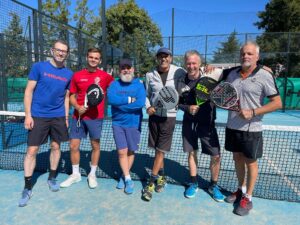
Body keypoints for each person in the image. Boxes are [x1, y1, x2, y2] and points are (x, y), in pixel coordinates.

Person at [224, 41, 282, 216]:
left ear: (257, 56)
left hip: (252, 129)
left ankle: (248, 198)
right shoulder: (232, 74)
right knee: (237, 159)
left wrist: (254, 111)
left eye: (250, 54)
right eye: (243, 53)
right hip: (232, 127)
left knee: (251, 162)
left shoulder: (264, 75)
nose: (245, 56)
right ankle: (240, 189)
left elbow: (277, 103)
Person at [19, 40, 73, 207]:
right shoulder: (39, 67)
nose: (61, 53)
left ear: (67, 54)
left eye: (64, 51)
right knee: (32, 150)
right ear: (52, 50)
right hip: (38, 116)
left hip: (58, 117)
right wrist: (28, 115)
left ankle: (52, 178)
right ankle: (27, 187)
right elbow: (28, 91)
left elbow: (65, 97)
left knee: (56, 147)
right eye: (58, 50)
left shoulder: (69, 74)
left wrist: (65, 118)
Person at [60, 47, 113, 189]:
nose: (93, 60)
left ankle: (92, 174)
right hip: (78, 117)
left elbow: (115, 88)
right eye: (91, 57)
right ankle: (75, 174)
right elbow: (71, 95)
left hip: (96, 118)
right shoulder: (77, 75)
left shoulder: (105, 76)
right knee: (73, 145)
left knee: (95, 146)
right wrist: (77, 107)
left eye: (96, 58)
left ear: (99, 60)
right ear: (87, 58)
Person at [177, 50, 225, 201]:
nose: (191, 66)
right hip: (189, 123)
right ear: (185, 64)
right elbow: (177, 102)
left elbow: (233, 71)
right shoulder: (180, 81)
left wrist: (263, 67)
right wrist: (187, 108)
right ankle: (193, 183)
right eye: (189, 63)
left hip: (207, 124)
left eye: (194, 63)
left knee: (216, 155)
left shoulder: (211, 75)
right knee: (192, 153)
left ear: (200, 64)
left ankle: (214, 185)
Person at [142, 47, 186, 201]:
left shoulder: (179, 72)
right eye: (160, 56)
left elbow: (192, 78)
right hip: (154, 117)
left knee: (160, 151)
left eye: (166, 56)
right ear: (157, 58)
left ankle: (151, 184)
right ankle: (162, 176)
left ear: (171, 58)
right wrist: (148, 107)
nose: (163, 59)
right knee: (156, 150)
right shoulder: (149, 75)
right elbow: (146, 95)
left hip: (169, 117)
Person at [107, 59, 146, 194]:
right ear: (119, 70)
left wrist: (120, 106)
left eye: (128, 67)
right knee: (121, 152)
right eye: (123, 67)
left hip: (133, 124)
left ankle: (124, 175)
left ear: (133, 69)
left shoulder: (139, 85)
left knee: (130, 151)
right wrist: (129, 100)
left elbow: (140, 103)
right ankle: (128, 179)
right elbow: (111, 100)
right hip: (117, 123)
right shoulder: (114, 84)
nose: (126, 70)